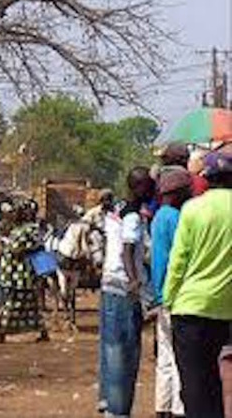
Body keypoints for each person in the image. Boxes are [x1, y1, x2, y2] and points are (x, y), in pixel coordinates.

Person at [163, 151, 232, 418]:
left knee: (193, 382)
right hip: (224, 309)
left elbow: (179, 260)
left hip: (189, 307)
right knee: (214, 380)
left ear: (207, 178)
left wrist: (167, 299)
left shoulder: (193, 209)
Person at [99, 167, 155, 417]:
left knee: (110, 349)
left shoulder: (116, 210)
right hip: (124, 289)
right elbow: (128, 249)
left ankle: (108, 402)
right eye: (149, 185)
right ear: (141, 187)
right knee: (125, 353)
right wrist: (134, 280)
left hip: (109, 285)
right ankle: (119, 410)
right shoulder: (132, 216)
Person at [151, 168, 192, 418]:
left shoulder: (158, 217)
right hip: (176, 292)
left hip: (161, 292)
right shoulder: (177, 218)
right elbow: (178, 258)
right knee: (180, 357)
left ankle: (161, 406)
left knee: (164, 356)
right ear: (178, 192)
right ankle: (178, 408)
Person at [0, 199, 48, 343]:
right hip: (12, 271)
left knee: (14, 301)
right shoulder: (17, 229)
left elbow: (32, 246)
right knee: (30, 304)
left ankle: (2, 332)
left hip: (22, 273)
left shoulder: (32, 229)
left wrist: (15, 248)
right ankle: (43, 331)